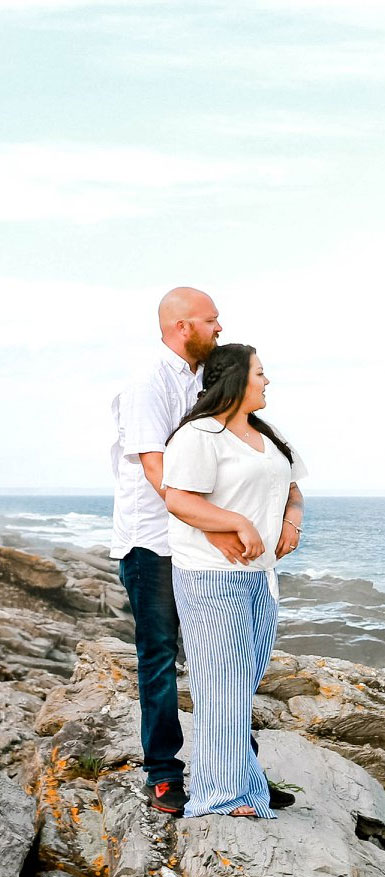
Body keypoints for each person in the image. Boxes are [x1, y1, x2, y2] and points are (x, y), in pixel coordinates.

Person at [110, 288, 296, 815]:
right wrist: (216, 528)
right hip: (154, 540)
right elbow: (156, 472)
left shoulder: (206, 381)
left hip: (199, 541)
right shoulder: (148, 384)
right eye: (211, 320)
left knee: (226, 661)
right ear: (182, 326)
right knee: (162, 654)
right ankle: (165, 774)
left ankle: (238, 771)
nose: (220, 328)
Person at [162, 343, 306, 818]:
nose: (268, 381)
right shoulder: (199, 435)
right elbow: (179, 499)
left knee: (242, 683)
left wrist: (291, 523)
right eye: (261, 373)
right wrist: (238, 523)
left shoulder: (267, 433)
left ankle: (239, 782)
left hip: (261, 577)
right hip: (210, 574)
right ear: (235, 379)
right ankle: (219, 795)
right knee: (220, 683)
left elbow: (293, 488)